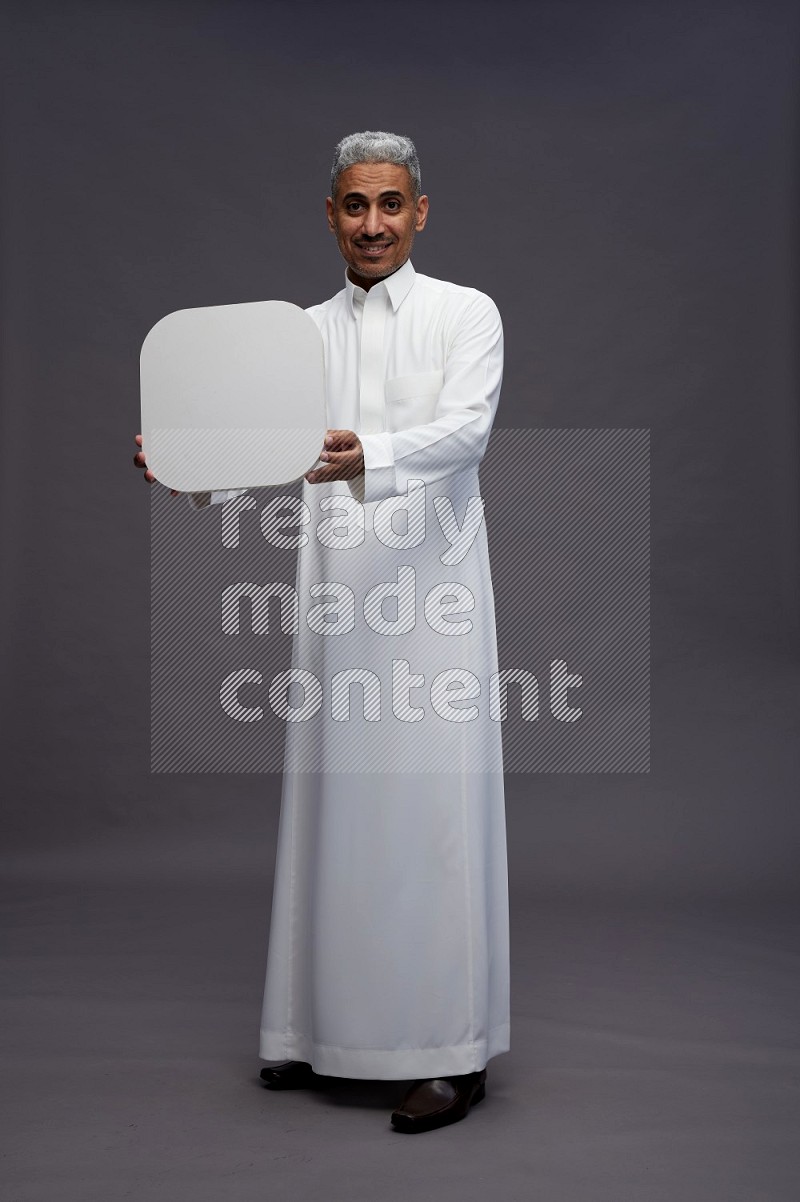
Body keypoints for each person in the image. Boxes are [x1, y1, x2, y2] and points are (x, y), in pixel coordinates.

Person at [134, 130, 510, 1134]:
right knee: (335, 811)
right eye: (354, 206)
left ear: (419, 212)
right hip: (337, 601)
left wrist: (365, 454)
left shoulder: (463, 313)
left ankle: (447, 1050)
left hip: (430, 604)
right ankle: (313, 1031)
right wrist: (187, 465)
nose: (373, 224)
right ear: (331, 215)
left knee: (430, 823)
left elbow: (467, 428)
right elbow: (256, 450)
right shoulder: (295, 334)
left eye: (390, 204)